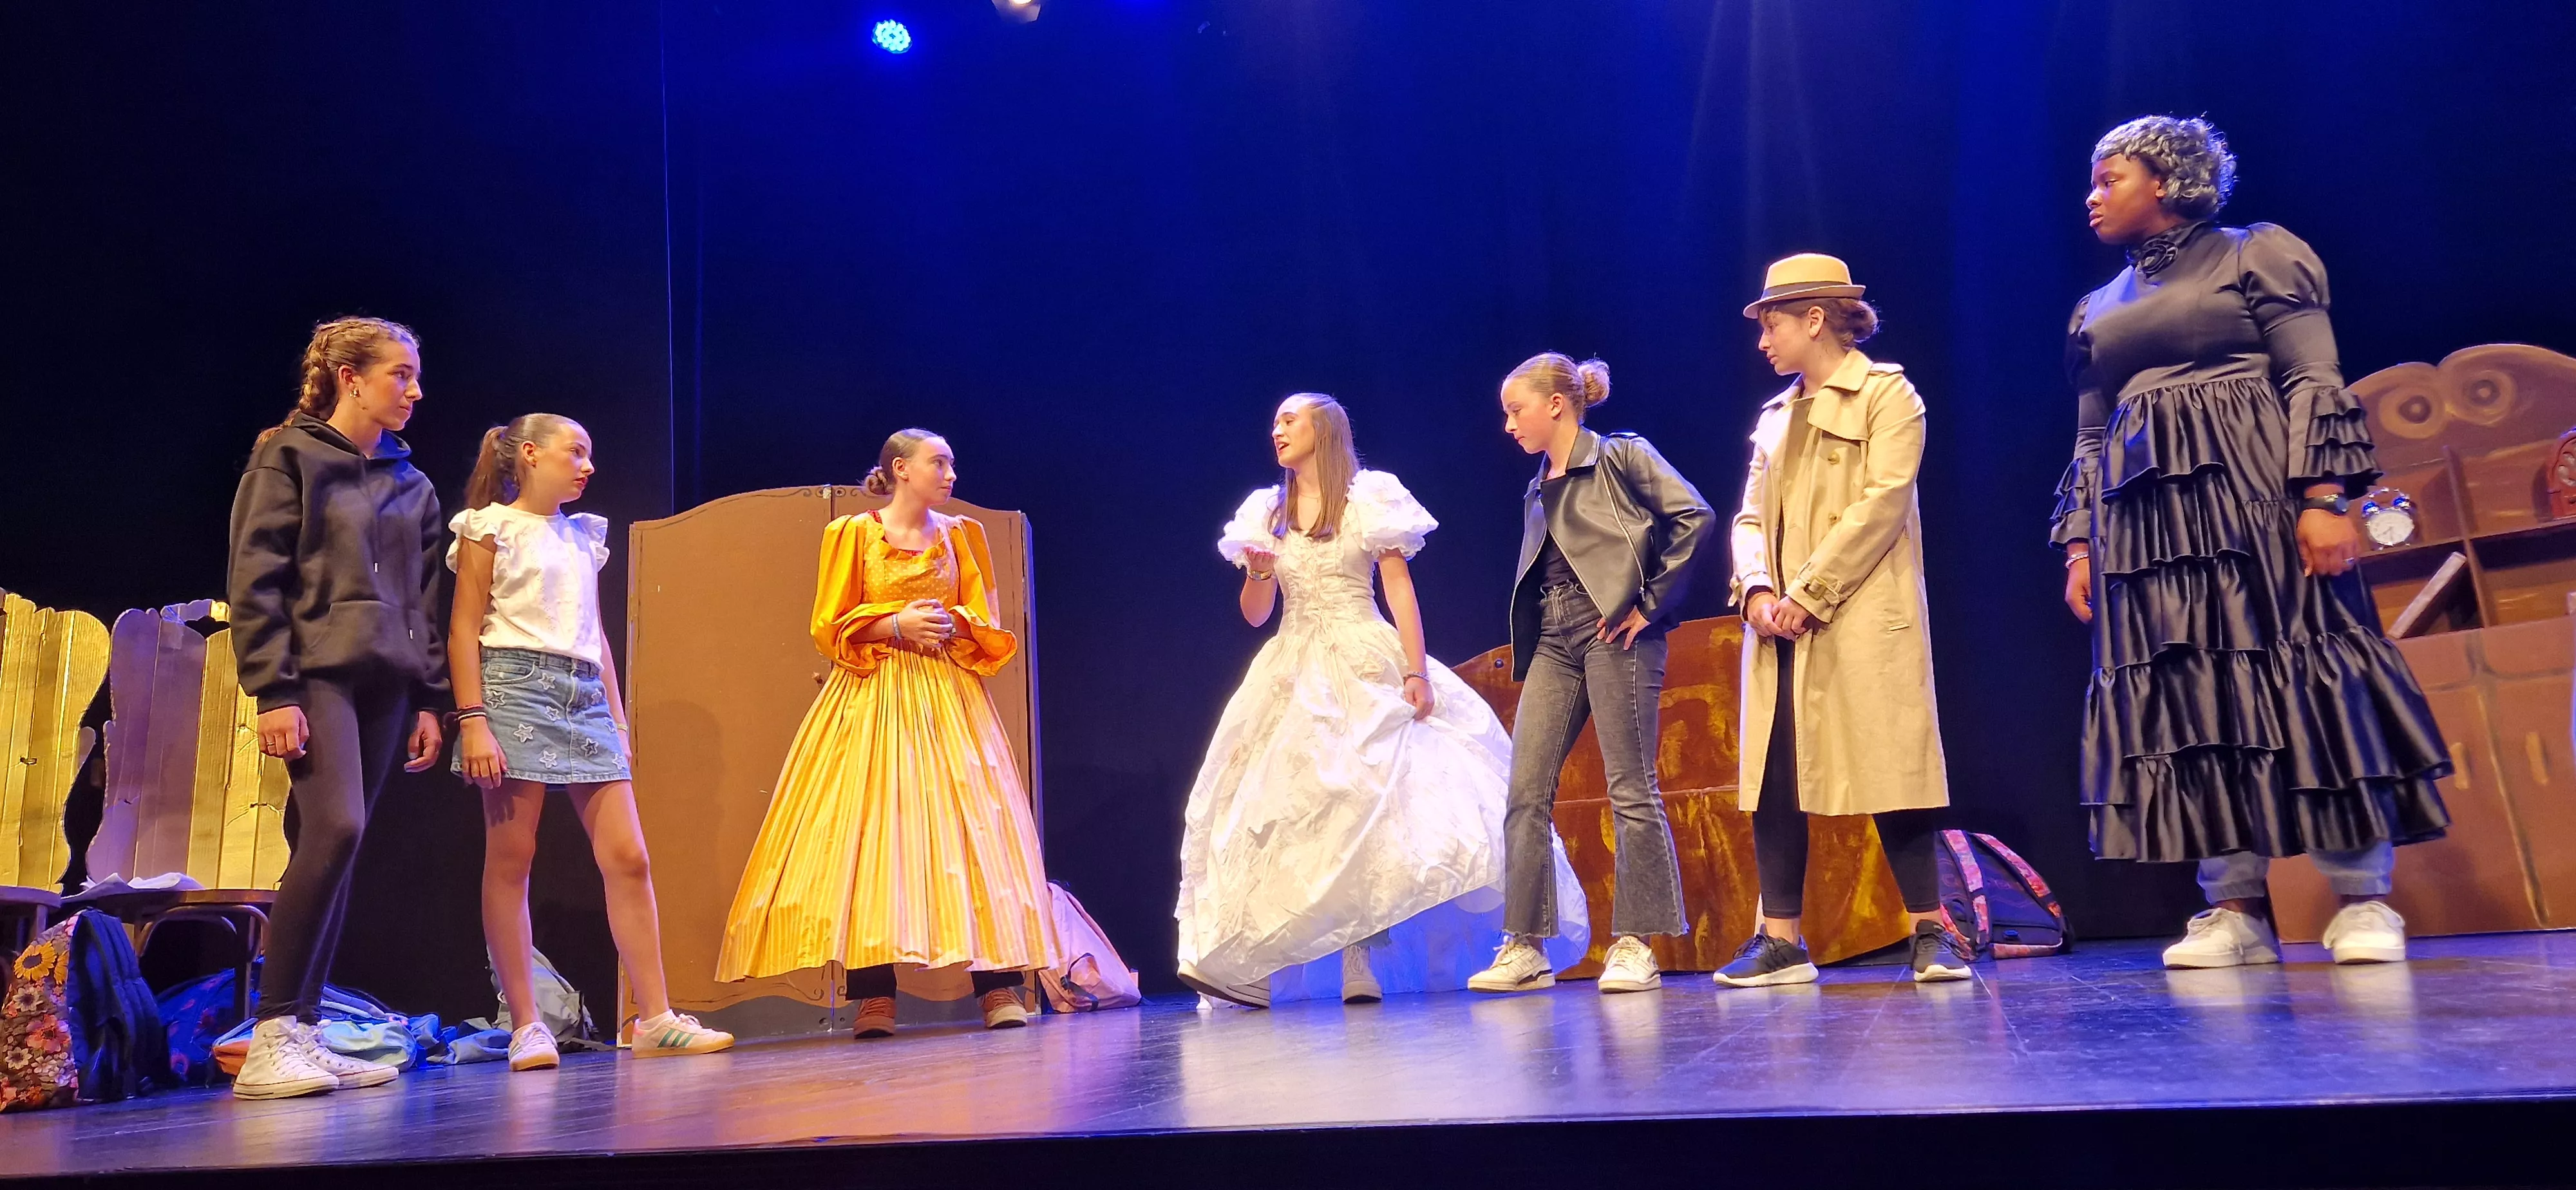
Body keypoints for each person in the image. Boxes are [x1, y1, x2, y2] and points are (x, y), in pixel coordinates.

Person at [2053, 115, 2450, 967]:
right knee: (2192, 696)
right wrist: (2082, 542)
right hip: (2149, 524)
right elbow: (2090, 437)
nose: (2091, 195)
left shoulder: (2254, 253)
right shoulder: (2097, 308)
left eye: (2107, 177)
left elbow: (2312, 374)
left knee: (2305, 667)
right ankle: (2235, 910)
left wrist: (2321, 495)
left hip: (2255, 496)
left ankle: (2360, 898)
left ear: (2163, 179)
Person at [1175, 395, 1589, 1009]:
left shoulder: (1367, 498)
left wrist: (1415, 671)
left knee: (1367, 799)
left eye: (1290, 419)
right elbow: (1256, 614)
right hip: (1292, 663)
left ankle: (1361, 953)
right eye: (1275, 422)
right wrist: (1260, 573)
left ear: (1325, 429)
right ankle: (1261, 959)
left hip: (1363, 652)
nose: (1277, 429)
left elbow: (1399, 588)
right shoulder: (1268, 511)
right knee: (1281, 810)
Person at [719, 428, 1057, 1036]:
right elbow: (828, 623)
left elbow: (985, 615)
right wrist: (893, 624)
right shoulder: (850, 533)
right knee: (869, 834)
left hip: (948, 696)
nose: (951, 473)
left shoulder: (962, 535)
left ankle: (998, 985)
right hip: (874, 694)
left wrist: (952, 622)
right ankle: (874, 994)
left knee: (971, 832)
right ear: (902, 469)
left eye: (952, 463)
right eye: (940, 462)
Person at [448, 414, 735, 1069]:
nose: (587, 465)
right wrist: (473, 719)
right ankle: (527, 1025)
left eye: (590, 454)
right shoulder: (490, 527)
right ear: (529, 454)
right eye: (574, 452)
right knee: (512, 858)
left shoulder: (583, 537)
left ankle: (655, 1017)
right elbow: (464, 629)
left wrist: (618, 716)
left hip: (583, 695)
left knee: (629, 857)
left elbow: (595, 632)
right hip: (515, 686)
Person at [1716, 254, 1970, 988]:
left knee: (1892, 770)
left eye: (1773, 323)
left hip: (1859, 612)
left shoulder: (1887, 397)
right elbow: (1750, 515)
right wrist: (1759, 590)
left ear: (1815, 319)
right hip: (1780, 623)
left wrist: (1808, 593)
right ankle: (1781, 942)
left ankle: (1930, 931)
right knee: (1775, 775)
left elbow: (1881, 505)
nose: (1763, 339)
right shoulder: (1774, 417)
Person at [227, 317, 448, 1099]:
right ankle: (271, 1037)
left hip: (388, 682)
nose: (415, 390)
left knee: (339, 846)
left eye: (416, 376)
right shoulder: (286, 456)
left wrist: (429, 696)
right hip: (315, 672)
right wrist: (275, 690)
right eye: (400, 373)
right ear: (351, 377)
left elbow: (425, 597)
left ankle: (304, 1029)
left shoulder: (412, 484)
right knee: (335, 824)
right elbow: (256, 579)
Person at [1471, 354, 1714, 996]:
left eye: (1515, 409)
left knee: (1630, 787)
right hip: (1554, 637)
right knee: (1524, 790)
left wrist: (1649, 603)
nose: (1508, 425)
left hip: (1614, 630)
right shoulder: (1537, 484)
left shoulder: (1620, 457)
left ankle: (1636, 943)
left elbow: (1693, 517)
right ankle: (1523, 945)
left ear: (1556, 404)